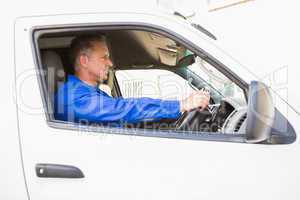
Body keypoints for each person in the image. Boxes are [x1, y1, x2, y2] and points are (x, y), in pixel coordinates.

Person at [54, 34, 210, 125]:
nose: (110, 63)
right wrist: (181, 105)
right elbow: (123, 109)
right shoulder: (72, 97)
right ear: (84, 61)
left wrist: (178, 113)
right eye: (104, 57)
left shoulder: (89, 92)